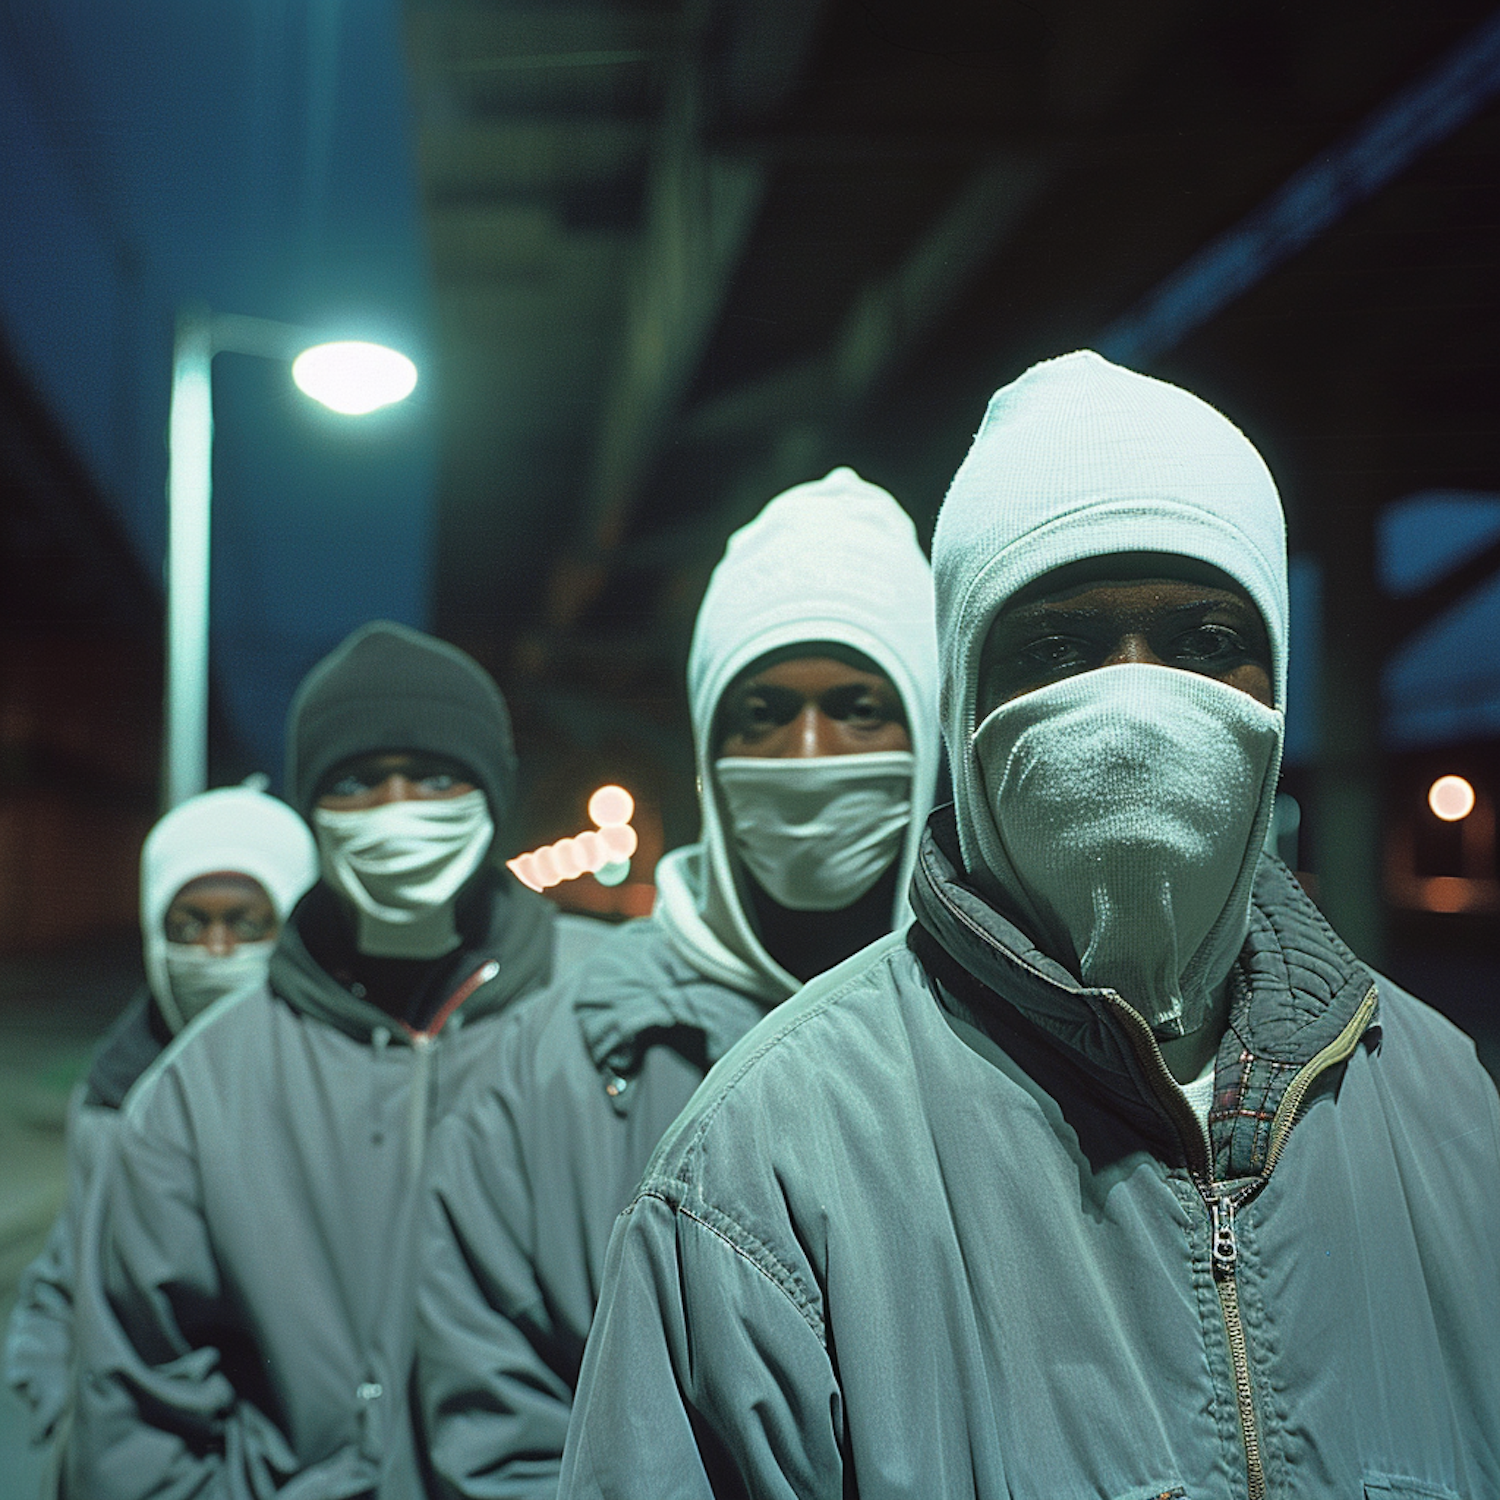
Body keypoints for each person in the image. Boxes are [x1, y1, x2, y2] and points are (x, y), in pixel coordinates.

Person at [555, 353, 1500, 1498]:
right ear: (966, 711)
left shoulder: (1445, 1100)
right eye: (1056, 650)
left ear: (1278, 682)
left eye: (1205, 640)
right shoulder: (761, 1165)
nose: (1132, 704)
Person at [415, 467, 940, 1498]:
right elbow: (498, 1421)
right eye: (761, 712)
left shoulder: (1016, 1036)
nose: (807, 753)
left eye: (858, 707)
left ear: (929, 737)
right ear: (706, 748)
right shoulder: (553, 1058)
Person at [64, 621, 580, 1500]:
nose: (397, 809)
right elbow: (135, 1412)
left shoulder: (610, 1018)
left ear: (493, 790)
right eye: (355, 781)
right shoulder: (201, 1085)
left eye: (434, 776)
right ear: (312, 809)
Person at [4, 784, 317, 1460]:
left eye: (246, 921)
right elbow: (67, 1275)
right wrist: (67, 1419)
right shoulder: (114, 1094)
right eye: (188, 923)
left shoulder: (341, 1092)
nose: (215, 947)